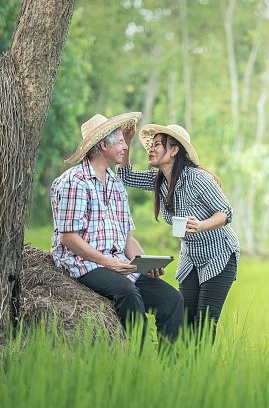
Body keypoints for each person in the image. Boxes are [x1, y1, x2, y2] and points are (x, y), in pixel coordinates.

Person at [50, 113, 184, 343]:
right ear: (103, 145)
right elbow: (68, 238)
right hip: (84, 264)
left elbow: (126, 237)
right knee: (128, 293)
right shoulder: (75, 181)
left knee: (172, 300)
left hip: (116, 263)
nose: (125, 146)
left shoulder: (114, 183)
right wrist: (106, 261)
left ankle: (168, 369)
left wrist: (144, 262)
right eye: (121, 140)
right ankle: (137, 362)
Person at [117, 124, 240, 341]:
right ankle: (179, 371)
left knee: (203, 324)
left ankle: (198, 372)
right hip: (191, 257)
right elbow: (126, 176)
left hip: (218, 255)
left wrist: (201, 225)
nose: (151, 150)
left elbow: (226, 212)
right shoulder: (160, 181)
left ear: (174, 150)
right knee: (182, 320)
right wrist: (126, 141)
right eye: (150, 145)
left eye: (157, 145)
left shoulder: (197, 178)